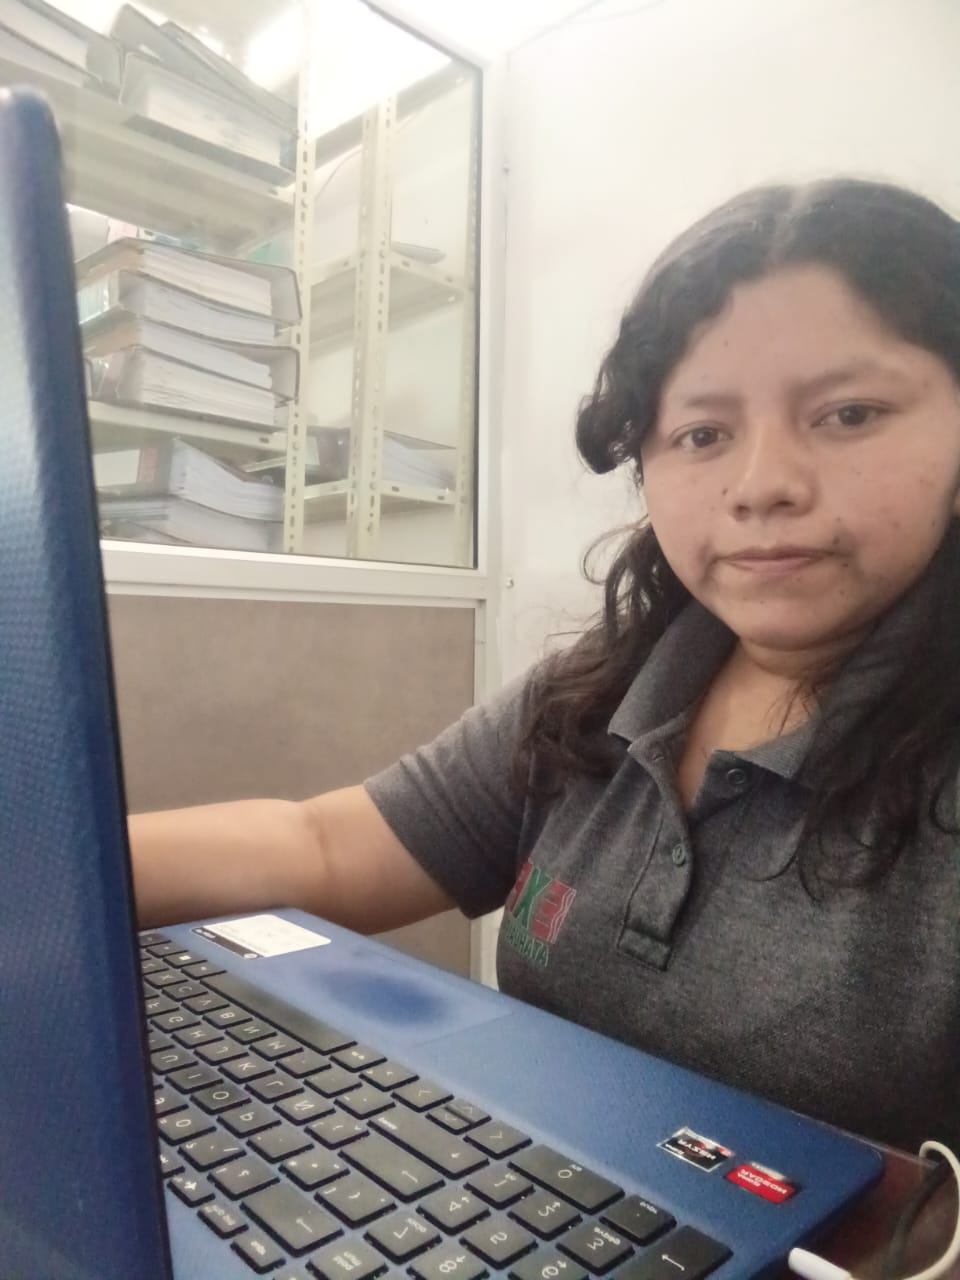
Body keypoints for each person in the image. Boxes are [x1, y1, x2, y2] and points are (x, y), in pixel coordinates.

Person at [131, 177, 960, 1154]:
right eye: (702, 433)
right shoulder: (607, 687)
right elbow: (324, 845)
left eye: (850, 413)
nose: (764, 484)